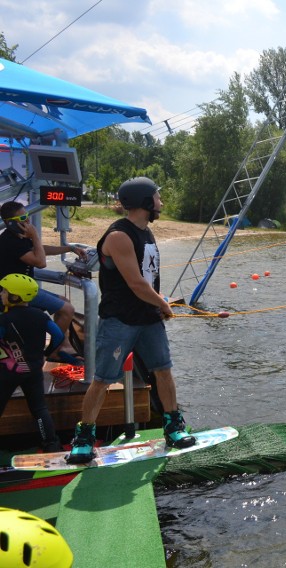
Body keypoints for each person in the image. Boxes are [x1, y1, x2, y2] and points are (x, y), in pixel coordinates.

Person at [67, 177, 195, 463]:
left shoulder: (146, 232)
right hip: (120, 321)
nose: (161, 202)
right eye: (157, 197)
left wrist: (160, 304)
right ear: (145, 202)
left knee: (163, 370)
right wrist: (164, 304)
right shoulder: (119, 237)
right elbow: (136, 284)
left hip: (148, 319)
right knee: (101, 379)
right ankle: (84, 437)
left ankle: (173, 426)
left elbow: (148, 280)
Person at [0, 200, 87, 365]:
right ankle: (53, 352)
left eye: (28, 216)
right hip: (14, 293)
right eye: (23, 218)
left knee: (65, 302)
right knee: (67, 309)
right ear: (9, 223)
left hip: (25, 289)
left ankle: (63, 346)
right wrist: (35, 236)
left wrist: (69, 249)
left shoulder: (18, 237)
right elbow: (40, 261)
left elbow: (41, 249)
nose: (28, 221)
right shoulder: (9, 241)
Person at [0, 273, 63, 452]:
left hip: (8, 373)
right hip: (33, 369)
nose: (1, 294)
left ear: (14, 296)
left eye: (4, 291)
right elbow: (58, 336)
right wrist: (46, 353)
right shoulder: (40, 316)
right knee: (39, 409)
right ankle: (51, 444)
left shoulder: (4, 319)